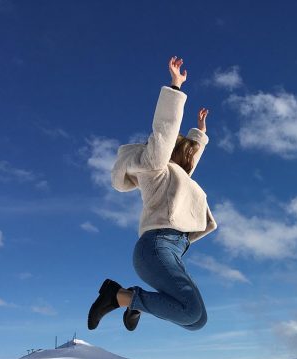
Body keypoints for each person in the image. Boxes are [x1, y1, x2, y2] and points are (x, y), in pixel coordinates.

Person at [88, 56, 216, 332]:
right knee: (190, 309)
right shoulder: (155, 166)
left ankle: (132, 301)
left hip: (172, 250)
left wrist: (199, 136)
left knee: (197, 320)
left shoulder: (173, 178)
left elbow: (186, 169)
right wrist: (175, 88)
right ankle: (118, 296)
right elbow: (164, 132)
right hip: (156, 247)